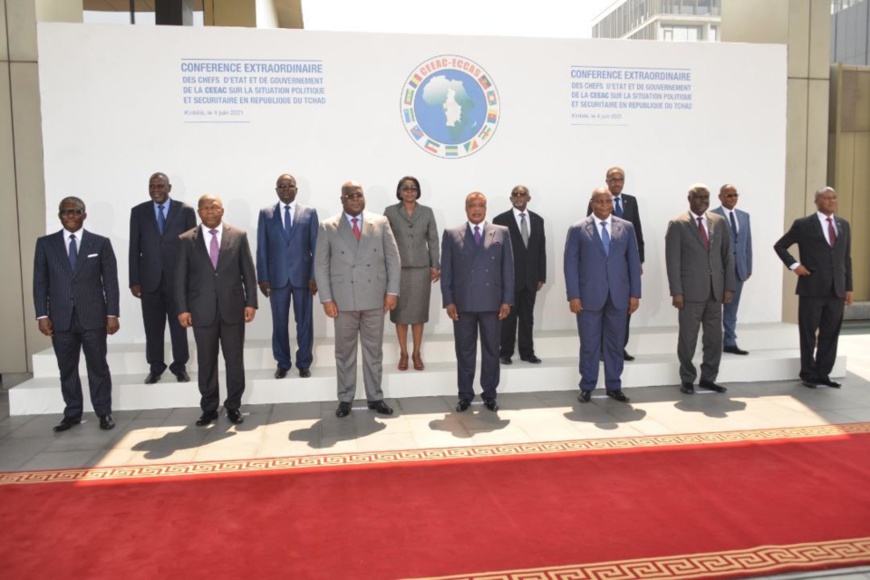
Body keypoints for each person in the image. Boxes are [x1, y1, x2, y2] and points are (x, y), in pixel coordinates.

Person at [314, 181, 401, 418]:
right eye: (349, 195)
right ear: (341, 199)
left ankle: (375, 397)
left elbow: (393, 258)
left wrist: (392, 291)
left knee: (374, 351)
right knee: (344, 352)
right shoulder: (328, 226)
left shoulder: (380, 222)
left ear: (364, 198)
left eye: (359, 195)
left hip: (375, 298)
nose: (355, 199)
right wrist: (326, 298)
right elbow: (320, 265)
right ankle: (345, 398)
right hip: (342, 300)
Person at [33, 197, 120, 432]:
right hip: (60, 319)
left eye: (75, 211)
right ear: (59, 215)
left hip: (93, 317)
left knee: (98, 367)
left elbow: (110, 282)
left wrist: (112, 314)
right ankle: (72, 413)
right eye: (65, 212)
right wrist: (42, 315)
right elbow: (40, 282)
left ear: (84, 215)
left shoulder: (100, 243)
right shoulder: (45, 244)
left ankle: (104, 412)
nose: (70, 215)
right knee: (67, 369)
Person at [175, 195, 258, 426]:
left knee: (234, 360)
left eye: (214, 207)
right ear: (199, 213)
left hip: (233, 309)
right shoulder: (185, 240)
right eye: (205, 208)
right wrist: (182, 309)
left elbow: (248, 273)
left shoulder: (238, 236)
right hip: (201, 311)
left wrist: (251, 302)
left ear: (222, 211)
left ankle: (233, 406)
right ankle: (209, 408)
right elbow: (179, 278)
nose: (210, 211)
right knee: (206, 361)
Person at [565, 188, 641, 404]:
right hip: (588, 296)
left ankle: (614, 386)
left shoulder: (626, 227)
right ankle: (587, 386)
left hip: (619, 296)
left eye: (608, 201)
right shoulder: (578, 229)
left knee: (615, 343)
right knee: (589, 344)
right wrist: (573, 296)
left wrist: (635, 293)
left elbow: (633, 263)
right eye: (600, 201)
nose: (605, 205)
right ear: (592, 203)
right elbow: (570, 264)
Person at [440, 192, 514, 412]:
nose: (476, 209)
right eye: (472, 205)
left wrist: (507, 300)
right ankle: (465, 394)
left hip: (492, 303)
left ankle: (489, 393)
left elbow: (508, 269)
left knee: (492, 349)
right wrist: (448, 300)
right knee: (464, 351)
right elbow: (446, 272)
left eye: (480, 205)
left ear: (486, 208)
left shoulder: (501, 232)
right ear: (466, 208)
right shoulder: (451, 234)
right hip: (463, 304)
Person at [774, 186, 853, 389]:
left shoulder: (843, 224)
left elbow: (846, 259)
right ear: (816, 201)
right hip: (812, 288)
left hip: (837, 290)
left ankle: (823, 373)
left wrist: (849, 288)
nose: (831, 201)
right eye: (826, 198)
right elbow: (780, 245)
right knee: (808, 332)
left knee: (831, 332)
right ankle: (808, 373)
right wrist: (795, 265)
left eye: (834, 198)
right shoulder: (803, 225)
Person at [665, 184, 735, 395]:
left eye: (706, 197)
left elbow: (727, 257)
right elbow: (673, 262)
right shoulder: (678, 224)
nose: (703, 201)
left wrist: (729, 287)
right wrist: (676, 291)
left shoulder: (719, 222)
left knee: (714, 339)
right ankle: (687, 379)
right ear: (689, 199)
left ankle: (708, 378)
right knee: (688, 339)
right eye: (698, 197)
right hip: (689, 293)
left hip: (716, 291)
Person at [128, 172, 197, 384]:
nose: (155, 189)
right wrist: (134, 279)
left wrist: (191, 280)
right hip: (149, 280)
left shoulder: (185, 210)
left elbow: (192, 248)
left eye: (160, 185)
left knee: (179, 326)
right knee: (152, 327)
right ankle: (155, 367)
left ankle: (180, 366)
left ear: (169, 187)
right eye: (152, 186)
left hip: (177, 280)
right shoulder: (138, 212)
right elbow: (134, 248)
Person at [256, 173, 319, 379]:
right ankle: (282, 363)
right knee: (279, 322)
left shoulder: (309, 213)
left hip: (303, 278)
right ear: (276, 190)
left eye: (289, 185)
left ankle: (303, 362)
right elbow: (262, 248)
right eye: (281, 186)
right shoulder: (266, 214)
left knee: (304, 323)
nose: (285, 189)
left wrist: (314, 276)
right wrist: (263, 277)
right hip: (277, 278)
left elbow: (316, 248)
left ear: (296, 189)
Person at [587, 167, 645, 361]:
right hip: (603, 267)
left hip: (625, 265)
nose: (617, 183)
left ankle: (620, 347)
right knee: (604, 306)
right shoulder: (598, 201)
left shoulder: (631, 201)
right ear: (607, 181)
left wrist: (639, 261)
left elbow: (637, 232)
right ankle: (603, 348)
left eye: (620, 179)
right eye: (613, 180)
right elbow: (591, 231)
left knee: (623, 307)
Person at [383, 176, 440, 371]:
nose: (409, 191)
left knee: (418, 315)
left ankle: (416, 352)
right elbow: (385, 241)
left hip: (421, 270)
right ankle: (403, 353)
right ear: (399, 191)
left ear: (418, 191)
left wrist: (435, 265)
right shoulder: (390, 212)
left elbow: (433, 239)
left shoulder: (427, 212)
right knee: (400, 315)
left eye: (413, 188)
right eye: (405, 188)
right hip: (397, 270)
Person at [493, 185, 546, 365]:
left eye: (522, 194)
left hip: (531, 279)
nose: (519, 197)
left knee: (527, 318)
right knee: (507, 318)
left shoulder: (538, 220)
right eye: (515, 194)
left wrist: (542, 276)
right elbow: (495, 252)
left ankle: (527, 352)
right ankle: (505, 352)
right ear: (510, 198)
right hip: (509, 279)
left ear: (529, 198)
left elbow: (541, 250)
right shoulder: (500, 220)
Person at [712, 184, 753, 355]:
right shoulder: (712, 215)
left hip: (738, 269)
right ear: (720, 196)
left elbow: (747, 243)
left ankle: (730, 341)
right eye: (728, 195)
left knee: (732, 307)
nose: (732, 198)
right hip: (718, 269)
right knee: (714, 307)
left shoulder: (744, 216)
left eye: (735, 195)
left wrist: (748, 265)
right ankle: (713, 341)